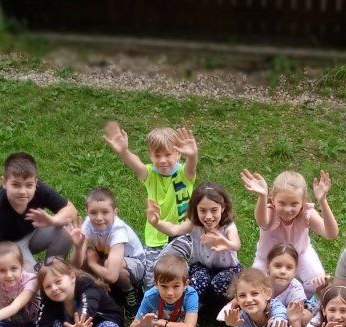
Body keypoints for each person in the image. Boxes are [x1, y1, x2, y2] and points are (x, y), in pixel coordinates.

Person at [102, 121, 199, 281]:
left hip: (181, 235)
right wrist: (124, 152)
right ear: (150, 155)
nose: (162, 160)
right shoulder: (150, 174)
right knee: (151, 280)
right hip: (155, 237)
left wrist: (193, 155)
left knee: (176, 275)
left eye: (168, 154)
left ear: (178, 154)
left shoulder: (184, 174)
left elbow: (191, 167)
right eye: (157, 155)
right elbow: (137, 165)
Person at [7, 257, 124, 327]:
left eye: (58, 281)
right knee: (54, 326)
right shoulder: (49, 301)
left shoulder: (87, 286)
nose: (54, 288)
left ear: (72, 277)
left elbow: (89, 305)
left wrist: (81, 322)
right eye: (48, 286)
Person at [241, 168, 338, 296]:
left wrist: (323, 201)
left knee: (318, 281)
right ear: (273, 199)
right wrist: (262, 196)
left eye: (294, 204)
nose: (287, 209)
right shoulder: (270, 212)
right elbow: (262, 221)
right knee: (252, 288)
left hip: (300, 255)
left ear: (303, 202)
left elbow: (331, 234)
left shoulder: (306, 213)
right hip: (267, 259)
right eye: (282, 203)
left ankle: (301, 300)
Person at [0, 152, 76, 273]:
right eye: (16, 185)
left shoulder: (40, 190)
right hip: (6, 248)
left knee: (66, 228)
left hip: (32, 233)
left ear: (36, 183)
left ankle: (54, 270)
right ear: (4, 182)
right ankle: (36, 276)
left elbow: (70, 209)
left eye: (29, 185)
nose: (23, 191)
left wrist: (53, 220)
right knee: (32, 281)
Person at [150, 181, 241, 305]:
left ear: (223, 208)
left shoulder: (228, 226)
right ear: (195, 209)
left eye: (214, 210)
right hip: (201, 266)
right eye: (202, 210)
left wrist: (226, 243)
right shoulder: (194, 224)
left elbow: (236, 244)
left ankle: (220, 305)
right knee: (198, 280)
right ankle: (194, 305)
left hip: (228, 268)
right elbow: (174, 230)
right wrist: (156, 223)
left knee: (220, 282)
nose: (208, 216)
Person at [69, 186, 146, 311]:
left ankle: (130, 291)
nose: (99, 218)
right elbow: (75, 266)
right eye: (93, 212)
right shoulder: (88, 224)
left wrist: (93, 264)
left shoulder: (118, 231)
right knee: (88, 253)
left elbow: (112, 276)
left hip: (135, 265)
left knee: (108, 263)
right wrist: (78, 248)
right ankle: (98, 289)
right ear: (87, 211)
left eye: (105, 212)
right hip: (107, 257)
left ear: (115, 212)